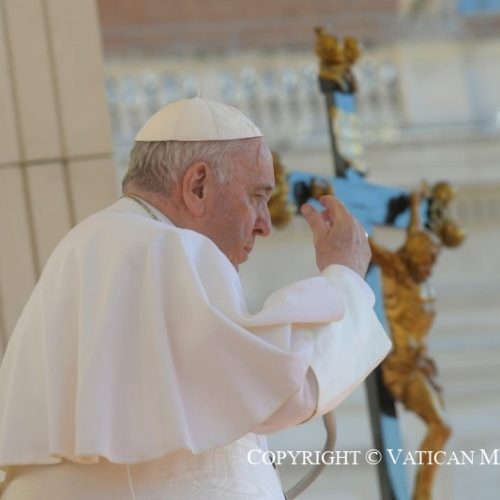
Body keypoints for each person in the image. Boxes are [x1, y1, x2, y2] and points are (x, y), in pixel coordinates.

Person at [0, 97, 390, 499]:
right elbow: (290, 387)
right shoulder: (166, 247)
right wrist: (345, 276)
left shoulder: (93, 244)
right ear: (197, 186)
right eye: (256, 197)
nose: (264, 225)